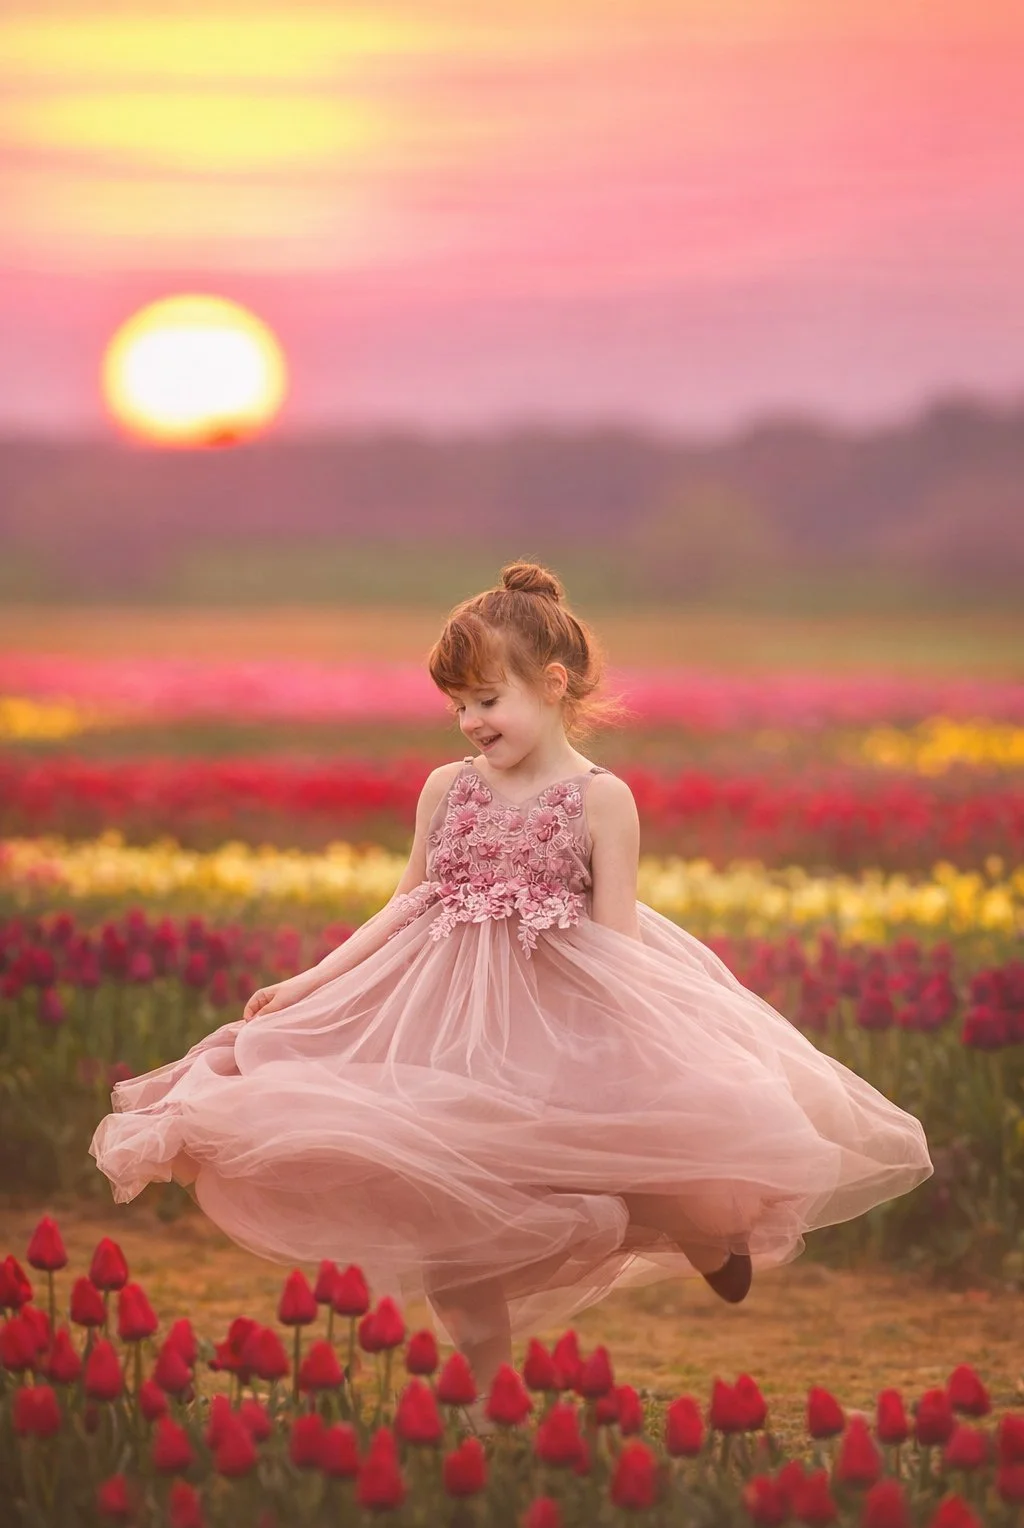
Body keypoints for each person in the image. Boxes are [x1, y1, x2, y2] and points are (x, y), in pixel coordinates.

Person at [90, 560, 932, 1436]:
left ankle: (697, 1217)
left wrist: (654, 1051)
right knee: (453, 1194)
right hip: (441, 1012)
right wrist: (308, 983)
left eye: (487, 700)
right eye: (458, 704)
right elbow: (408, 898)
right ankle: (483, 1398)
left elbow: (617, 943)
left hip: (558, 1006)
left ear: (553, 684)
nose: (469, 721)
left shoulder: (602, 801)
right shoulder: (446, 788)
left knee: (601, 1153)